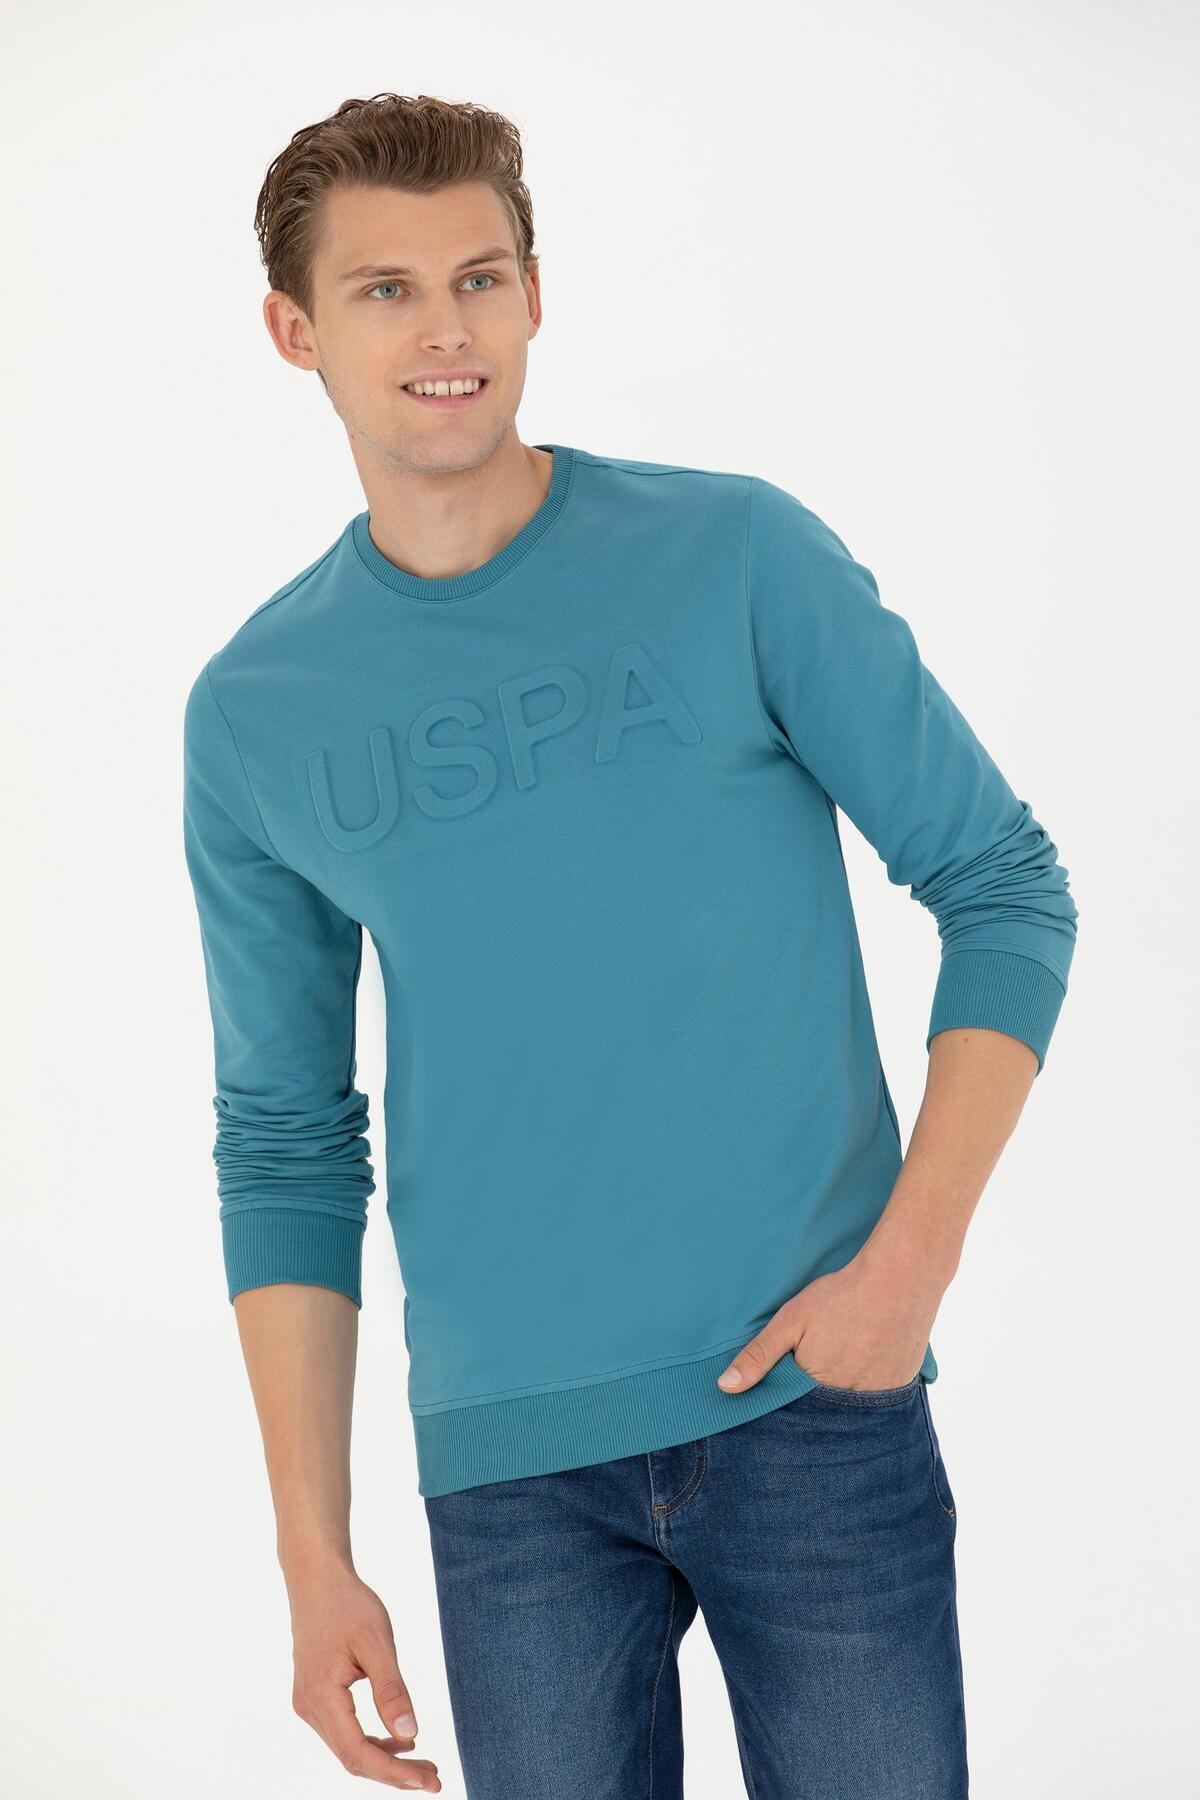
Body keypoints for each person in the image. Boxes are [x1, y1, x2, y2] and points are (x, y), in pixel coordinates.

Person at [181, 93, 1078, 1799]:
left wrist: (908, 1273)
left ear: (534, 295)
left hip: (815, 1408)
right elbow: (284, 1143)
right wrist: (315, 1557)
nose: (446, 331)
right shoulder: (255, 713)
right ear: (295, 330)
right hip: (509, 1476)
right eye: (384, 291)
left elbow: (1005, 886)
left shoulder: (734, 556)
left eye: (480, 278)